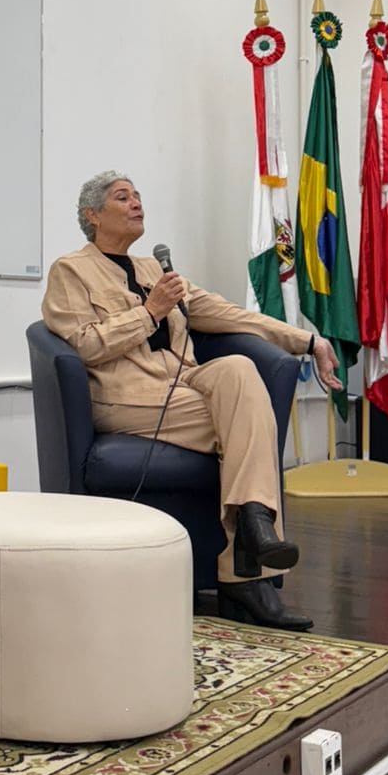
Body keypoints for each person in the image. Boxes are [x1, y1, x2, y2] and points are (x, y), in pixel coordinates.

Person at [42, 172, 344, 631]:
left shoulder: (153, 269)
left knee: (240, 370)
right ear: (92, 215)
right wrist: (149, 312)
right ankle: (248, 572)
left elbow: (227, 314)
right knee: (250, 421)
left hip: (182, 388)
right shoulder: (71, 270)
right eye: (122, 197)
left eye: (138, 195)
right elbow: (84, 346)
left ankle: (254, 523)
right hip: (125, 397)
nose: (136, 202)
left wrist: (307, 340)